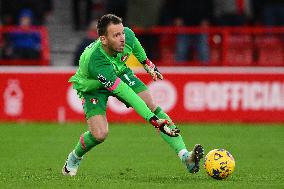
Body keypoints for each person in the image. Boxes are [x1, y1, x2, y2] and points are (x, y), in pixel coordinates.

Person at [62, 14, 204, 176]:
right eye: (116, 35)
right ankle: (74, 157)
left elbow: (135, 44)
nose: (122, 38)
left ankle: (185, 156)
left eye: (122, 32)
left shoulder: (127, 35)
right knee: (100, 134)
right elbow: (127, 93)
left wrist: (146, 63)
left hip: (119, 72)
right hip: (92, 86)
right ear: (103, 39)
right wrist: (152, 120)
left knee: (151, 104)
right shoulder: (96, 60)